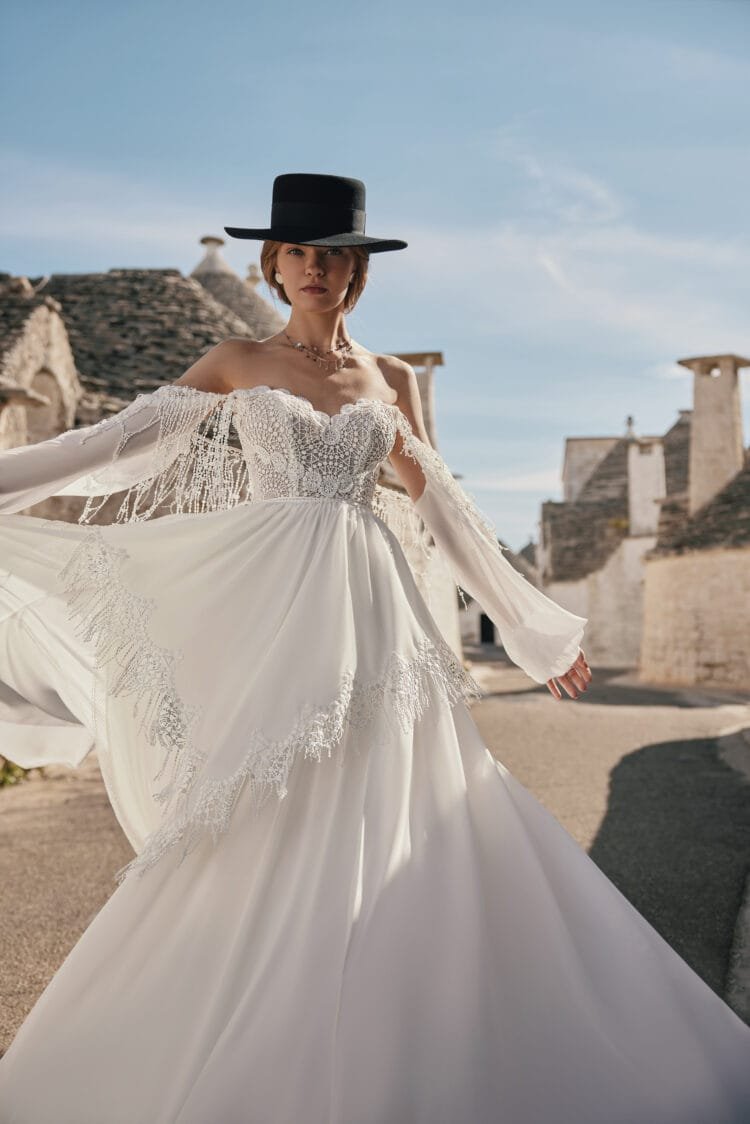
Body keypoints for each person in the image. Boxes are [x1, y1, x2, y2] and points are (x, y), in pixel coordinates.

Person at [0, 172, 747, 1123]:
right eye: (298, 254)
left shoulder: (387, 380)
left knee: (400, 796)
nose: (316, 270)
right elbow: (109, 445)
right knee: (263, 810)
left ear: (358, 270)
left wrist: (529, 629)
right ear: (273, 266)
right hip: (267, 603)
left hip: (371, 605)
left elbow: (445, 510)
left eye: (334, 255)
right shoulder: (234, 359)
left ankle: (401, 1024)